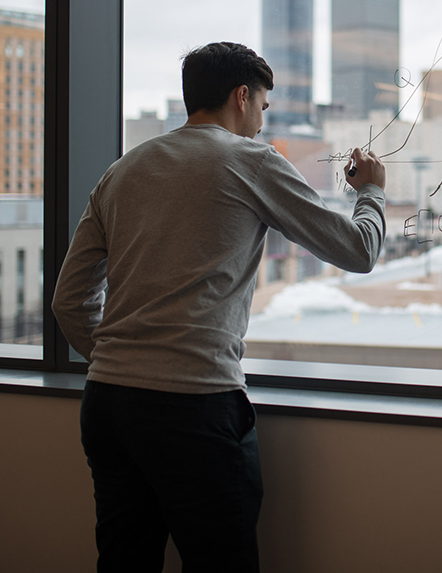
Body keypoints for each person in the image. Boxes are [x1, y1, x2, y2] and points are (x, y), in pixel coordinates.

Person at [52, 42, 386, 572]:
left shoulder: (121, 172)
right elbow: (358, 250)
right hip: (193, 406)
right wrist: (371, 193)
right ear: (242, 96)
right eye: (262, 108)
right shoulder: (249, 160)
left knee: (123, 561)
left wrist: (122, 358)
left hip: (110, 405)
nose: (261, 121)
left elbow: (69, 301)